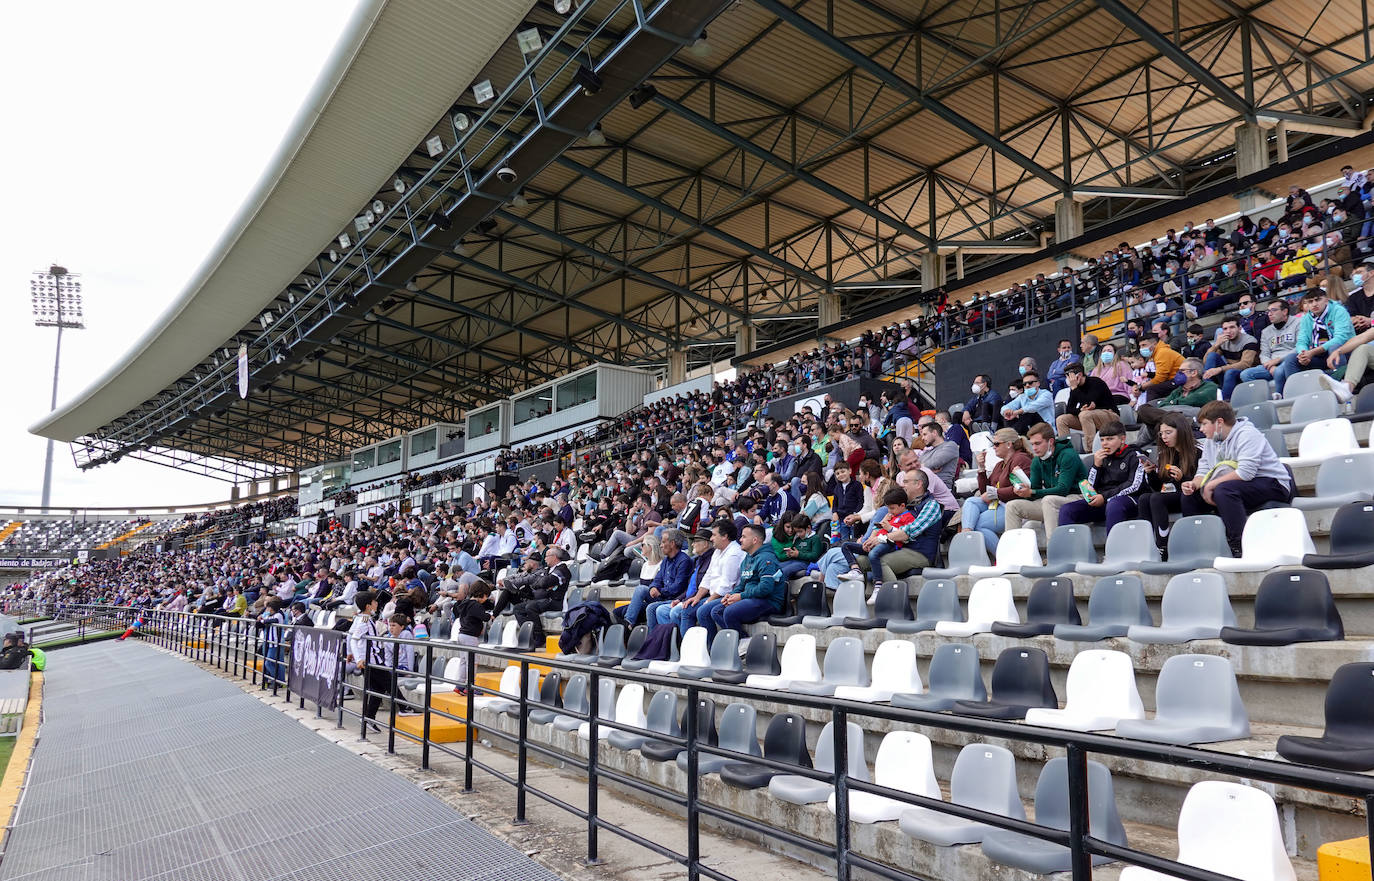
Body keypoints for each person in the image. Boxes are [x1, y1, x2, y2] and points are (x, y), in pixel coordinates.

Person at [1181, 400, 1294, 556]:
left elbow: (1246, 472)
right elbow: (1205, 469)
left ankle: (1240, 546)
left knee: (1223, 490)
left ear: (1219, 422)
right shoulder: (1210, 441)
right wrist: (1193, 484)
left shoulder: (1247, 434)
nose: (1201, 429)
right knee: (1190, 496)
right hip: (1237, 484)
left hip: (1273, 483)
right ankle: (1199, 547)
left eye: (1204, 424)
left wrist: (1210, 485)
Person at [1056, 421, 1147, 534]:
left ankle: (1113, 550)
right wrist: (1096, 466)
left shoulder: (1135, 455)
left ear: (1122, 439)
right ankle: (1069, 550)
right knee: (1067, 510)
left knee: (1114, 505)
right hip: (1104, 502)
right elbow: (1089, 488)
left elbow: (1134, 485)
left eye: (1110, 439)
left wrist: (1104, 497)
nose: (1105, 444)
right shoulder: (1102, 458)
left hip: (1130, 500)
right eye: (1102, 440)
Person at [1135, 412, 1201, 553]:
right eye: (1161, 433)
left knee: (1156, 498)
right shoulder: (1165, 454)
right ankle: (1144, 545)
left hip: (1191, 495)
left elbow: (1200, 481)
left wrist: (1182, 478)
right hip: (1171, 495)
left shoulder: (1197, 452)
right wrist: (1151, 473)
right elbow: (1159, 487)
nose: (1164, 437)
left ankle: (1162, 545)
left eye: (1168, 432)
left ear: (1181, 431)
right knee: (1145, 498)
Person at [1004, 422, 1089, 533]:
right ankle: (1011, 549)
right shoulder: (1036, 461)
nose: (1034, 448)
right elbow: (1034, 492)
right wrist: (1024, 490)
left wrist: (1032, 492)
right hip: (1051, 500)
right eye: (1032, 444)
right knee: (1012, 506)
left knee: (1048, 500)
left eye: (1038, 443)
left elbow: (1063, 489)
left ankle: (1053, 548)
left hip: (1077, 497)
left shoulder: (1068, 455)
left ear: (1051, 442)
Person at [960, 428, 1032, 553]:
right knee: (971, 501)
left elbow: (1021, 487)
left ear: (1009, 444)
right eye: (993, 444)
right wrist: (981, 468)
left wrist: (995, 494)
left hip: (1013, 506)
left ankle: (1004, 556)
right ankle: (966, 534)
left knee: (979, 525)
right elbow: (985, 492)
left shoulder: (1021, 458)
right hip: (999, 504)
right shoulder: (1000, 464)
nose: (994, 447)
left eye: (997, 444)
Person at [1274, 289, 1354, 394]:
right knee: (1291, 359)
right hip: (1320, 355)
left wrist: (1312, 352)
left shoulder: (1338, 310)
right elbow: (1302, 341)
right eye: (1311, 301)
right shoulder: (1307, 318)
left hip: (1344, 351)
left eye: (1318, 300)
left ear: (1326, 300)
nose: (1314, 304)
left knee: (1334, 346)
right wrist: (1303, 353)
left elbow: (1341, 338)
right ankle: (1296, 394)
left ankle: (1341, 389)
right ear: (1306, 304)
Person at [709, 524, 783, 636]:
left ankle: (742, 642)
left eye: (743, 537)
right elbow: (742, 584)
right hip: (752, 597)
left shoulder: (767, 558)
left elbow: (765, 588)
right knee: (716, 611)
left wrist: (741, 596)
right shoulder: (747, 558)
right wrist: (731, 595)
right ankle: (740, 639)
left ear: (754, 540)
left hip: (769, 601)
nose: (740, 539)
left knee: (729, 612)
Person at [1137, 359, 1219, 431]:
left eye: (1182, 371)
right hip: (1179, 420)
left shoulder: (1210, 386)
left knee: (1158, 419)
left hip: (1197, 416)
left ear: (1193, 373)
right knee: (1143, 409)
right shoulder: (1178, 390)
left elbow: (1195, 399)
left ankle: (1175, 421)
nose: (1178, 374)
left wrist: (1174, 402)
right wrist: (1176, 403)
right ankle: (1180, 421)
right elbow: (1162, 405)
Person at [1240, 298, 1302, 385]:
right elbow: (1264, 354)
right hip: (1271, 364)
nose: (1269, 314)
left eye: (1273, 310)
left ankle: (1283, 394)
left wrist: (1278, 360)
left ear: (1284, 311)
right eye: (1268, 311)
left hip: (1291, 361)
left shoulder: (1298, 323)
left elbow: (1300, 347)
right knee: (1246, 374)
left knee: (1279, 371)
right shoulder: (1266, 331)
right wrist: (1270, 365)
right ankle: (1264, 396)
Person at [1056, 363, 1119, 448]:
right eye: (1067, 377)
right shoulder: (1075, 388)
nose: (1069, 380)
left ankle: (1090, 449)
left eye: (1070, 376)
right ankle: (1065, 449)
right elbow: (1069, 410)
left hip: (1109, 415)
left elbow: (1089, 403)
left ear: (1080, 375)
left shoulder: (1096, 382)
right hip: (1088, 418)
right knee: (1061, 419)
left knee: (1085, 415)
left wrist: (1075, 389)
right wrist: (1080, 410)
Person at [1202, 315, 1261, 399]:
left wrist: (1220, 369)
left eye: (1232, 327)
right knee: (1212, 355)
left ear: (1239, 328)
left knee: (1230, 372)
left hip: (1245, 373)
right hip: (1228, 373)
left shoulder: (1249, 341)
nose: (1228, 331)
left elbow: (1245, 364)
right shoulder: (1223, 341)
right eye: (1225, 329)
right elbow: (1206, 361)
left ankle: (1226, 401)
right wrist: (1216, 345)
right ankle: (1207, 391)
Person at [449, 579, 492, 693]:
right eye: (486, 596)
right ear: (480, 594)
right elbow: (484, 616)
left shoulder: (465, 604)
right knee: (473, 661)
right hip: (470, 637)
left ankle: (460, 685)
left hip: (462, 635)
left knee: (464, 660)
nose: (486, 599)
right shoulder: (475, 605)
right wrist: (489, 616)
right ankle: (470, 686)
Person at [775, 514, 827, 582]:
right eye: (797, 532)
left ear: (808, 528)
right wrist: (790, 553)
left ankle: (780, 588)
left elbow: (815, 556)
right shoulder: (798, 539)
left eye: (800, 531)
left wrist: (798, 554)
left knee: (785, 570)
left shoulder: (815, 539)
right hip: (794, 561)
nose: (798, 534)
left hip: (806, 563)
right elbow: (795, 550)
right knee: (777, 566)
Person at [915, 421, 959, 491]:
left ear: (934, 433)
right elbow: (916, 467)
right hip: (925, 487)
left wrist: (923, 468)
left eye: (925, 434)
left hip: (942, 488)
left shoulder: (950, 445)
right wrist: (929, 470)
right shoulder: (927, 452)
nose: (922, 438)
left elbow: (935, 462)